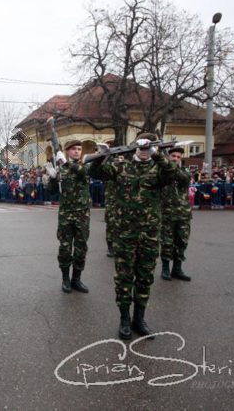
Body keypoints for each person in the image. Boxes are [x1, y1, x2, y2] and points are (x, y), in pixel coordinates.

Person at [88, 133, 180, 340]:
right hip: (125, 233)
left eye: (149, 147)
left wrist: (156, 154)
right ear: (135, 147)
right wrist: (103, 155)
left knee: (145, 277)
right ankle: (124, 319)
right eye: (143, 146)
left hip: (149, 234)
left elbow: (174, 173)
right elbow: (95, 172)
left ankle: (139, 319)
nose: (145, 150)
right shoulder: (122, 166)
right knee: (124, 277)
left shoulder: (159, 168)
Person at [46, 140, 91, 293]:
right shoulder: (61, 169)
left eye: (79, 149)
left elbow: (83, 174)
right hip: (66, 215)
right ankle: (65, 279)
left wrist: (66, 163)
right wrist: (52, 178)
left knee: (81, 249)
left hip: (82, 215)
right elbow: (51, 191)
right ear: (67, 151)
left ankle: (76, 279)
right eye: (73, 149)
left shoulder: (85, 166)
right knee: (65, 248)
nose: (77, 151)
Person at [160, 147, 193, 282]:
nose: (175, 159)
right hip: (167, 213)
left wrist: (168, 165)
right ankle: (165, 269)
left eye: (178, 157)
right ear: (168, 157)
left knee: (181, 241)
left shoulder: (185, 171)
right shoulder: (161, 171)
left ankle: (177, 269)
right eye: (173, 156)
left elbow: (182, 177)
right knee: (166, 242)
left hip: (183, 214)